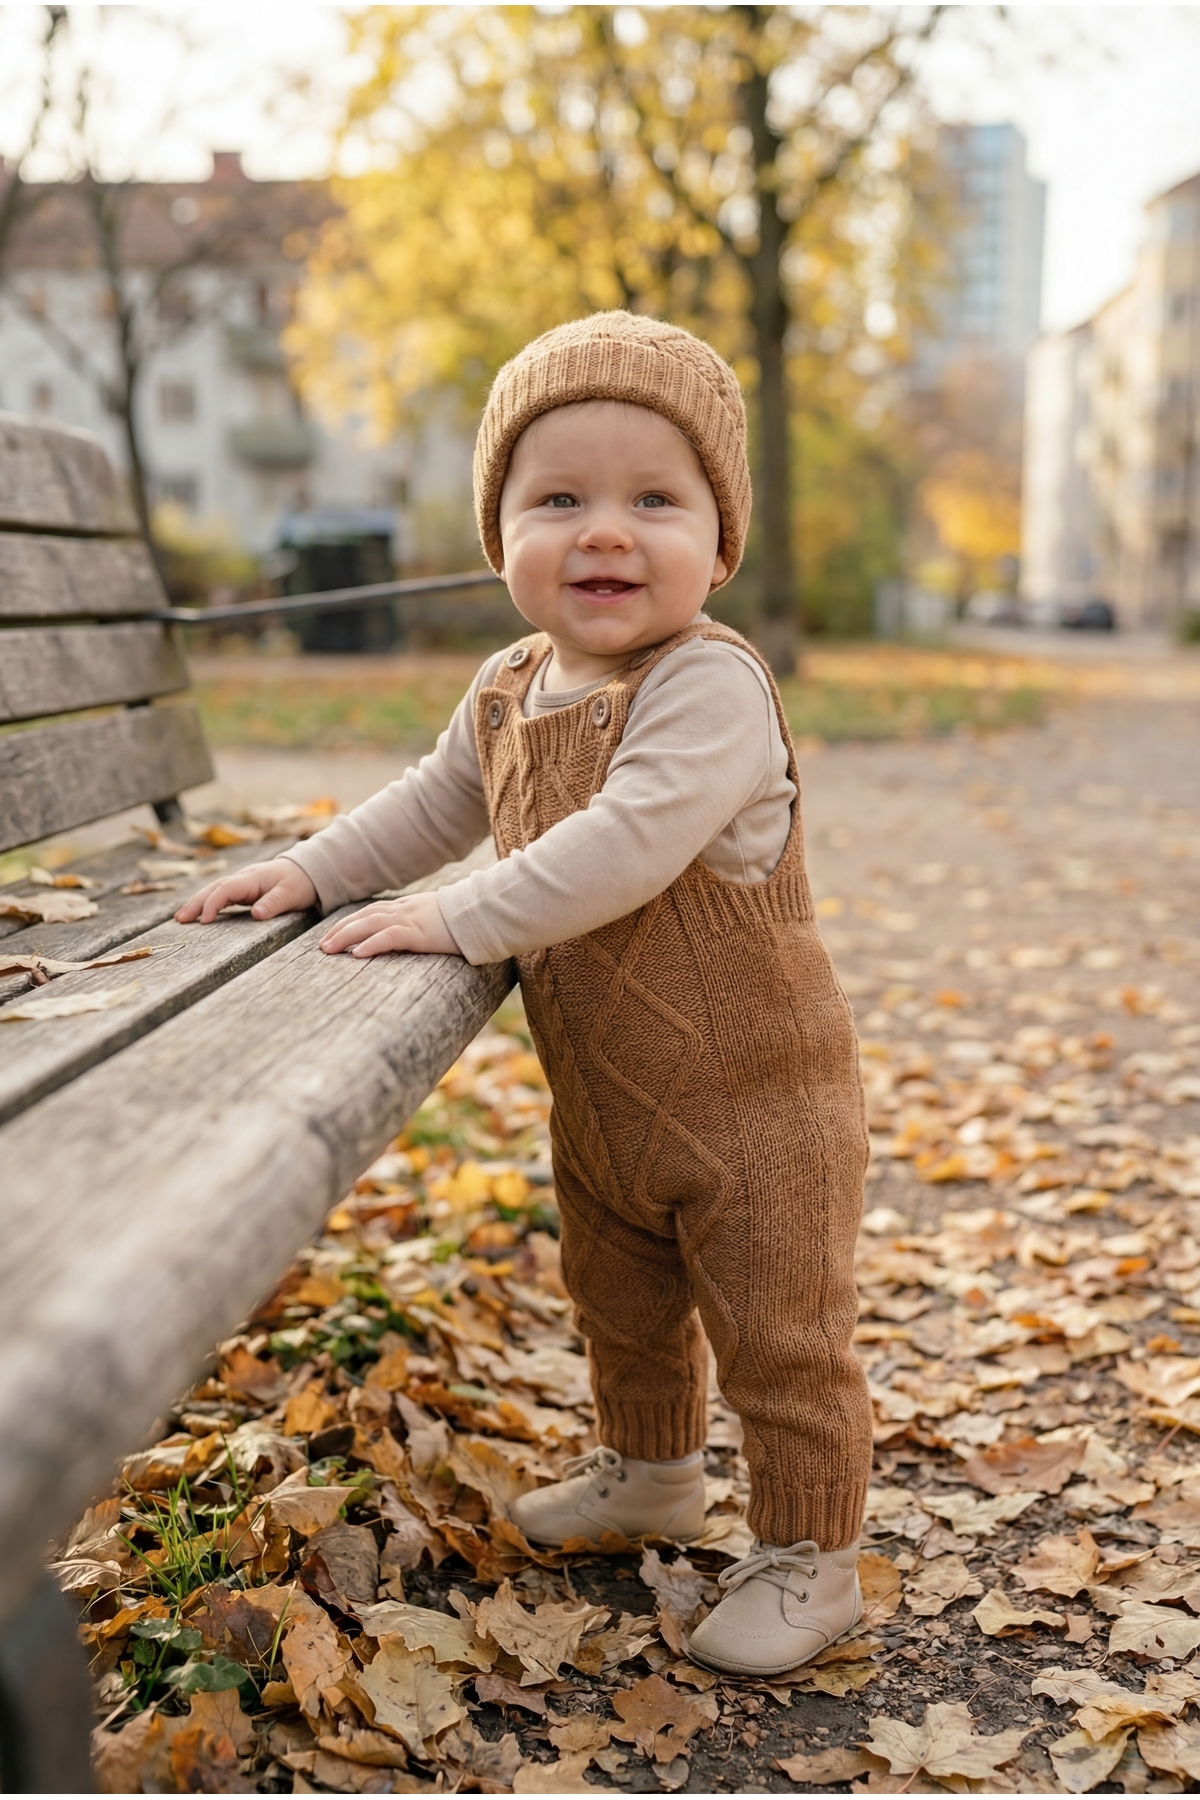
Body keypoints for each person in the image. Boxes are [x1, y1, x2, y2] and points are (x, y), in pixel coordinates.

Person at [177, 311, 872, 1677]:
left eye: (655, 501)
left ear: (720, 543)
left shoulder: (711, 685)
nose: (605, 531)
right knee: (619, 1299)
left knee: (780, 1332)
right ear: (499, 536)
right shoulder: (507, 687)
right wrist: (312, 871)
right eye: (558, 499)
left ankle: (810, 1554)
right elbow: (431, 803)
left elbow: (622, 845)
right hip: (609, 1099)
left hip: (760, 1105)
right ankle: (651, 1473)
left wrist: (452, 914)